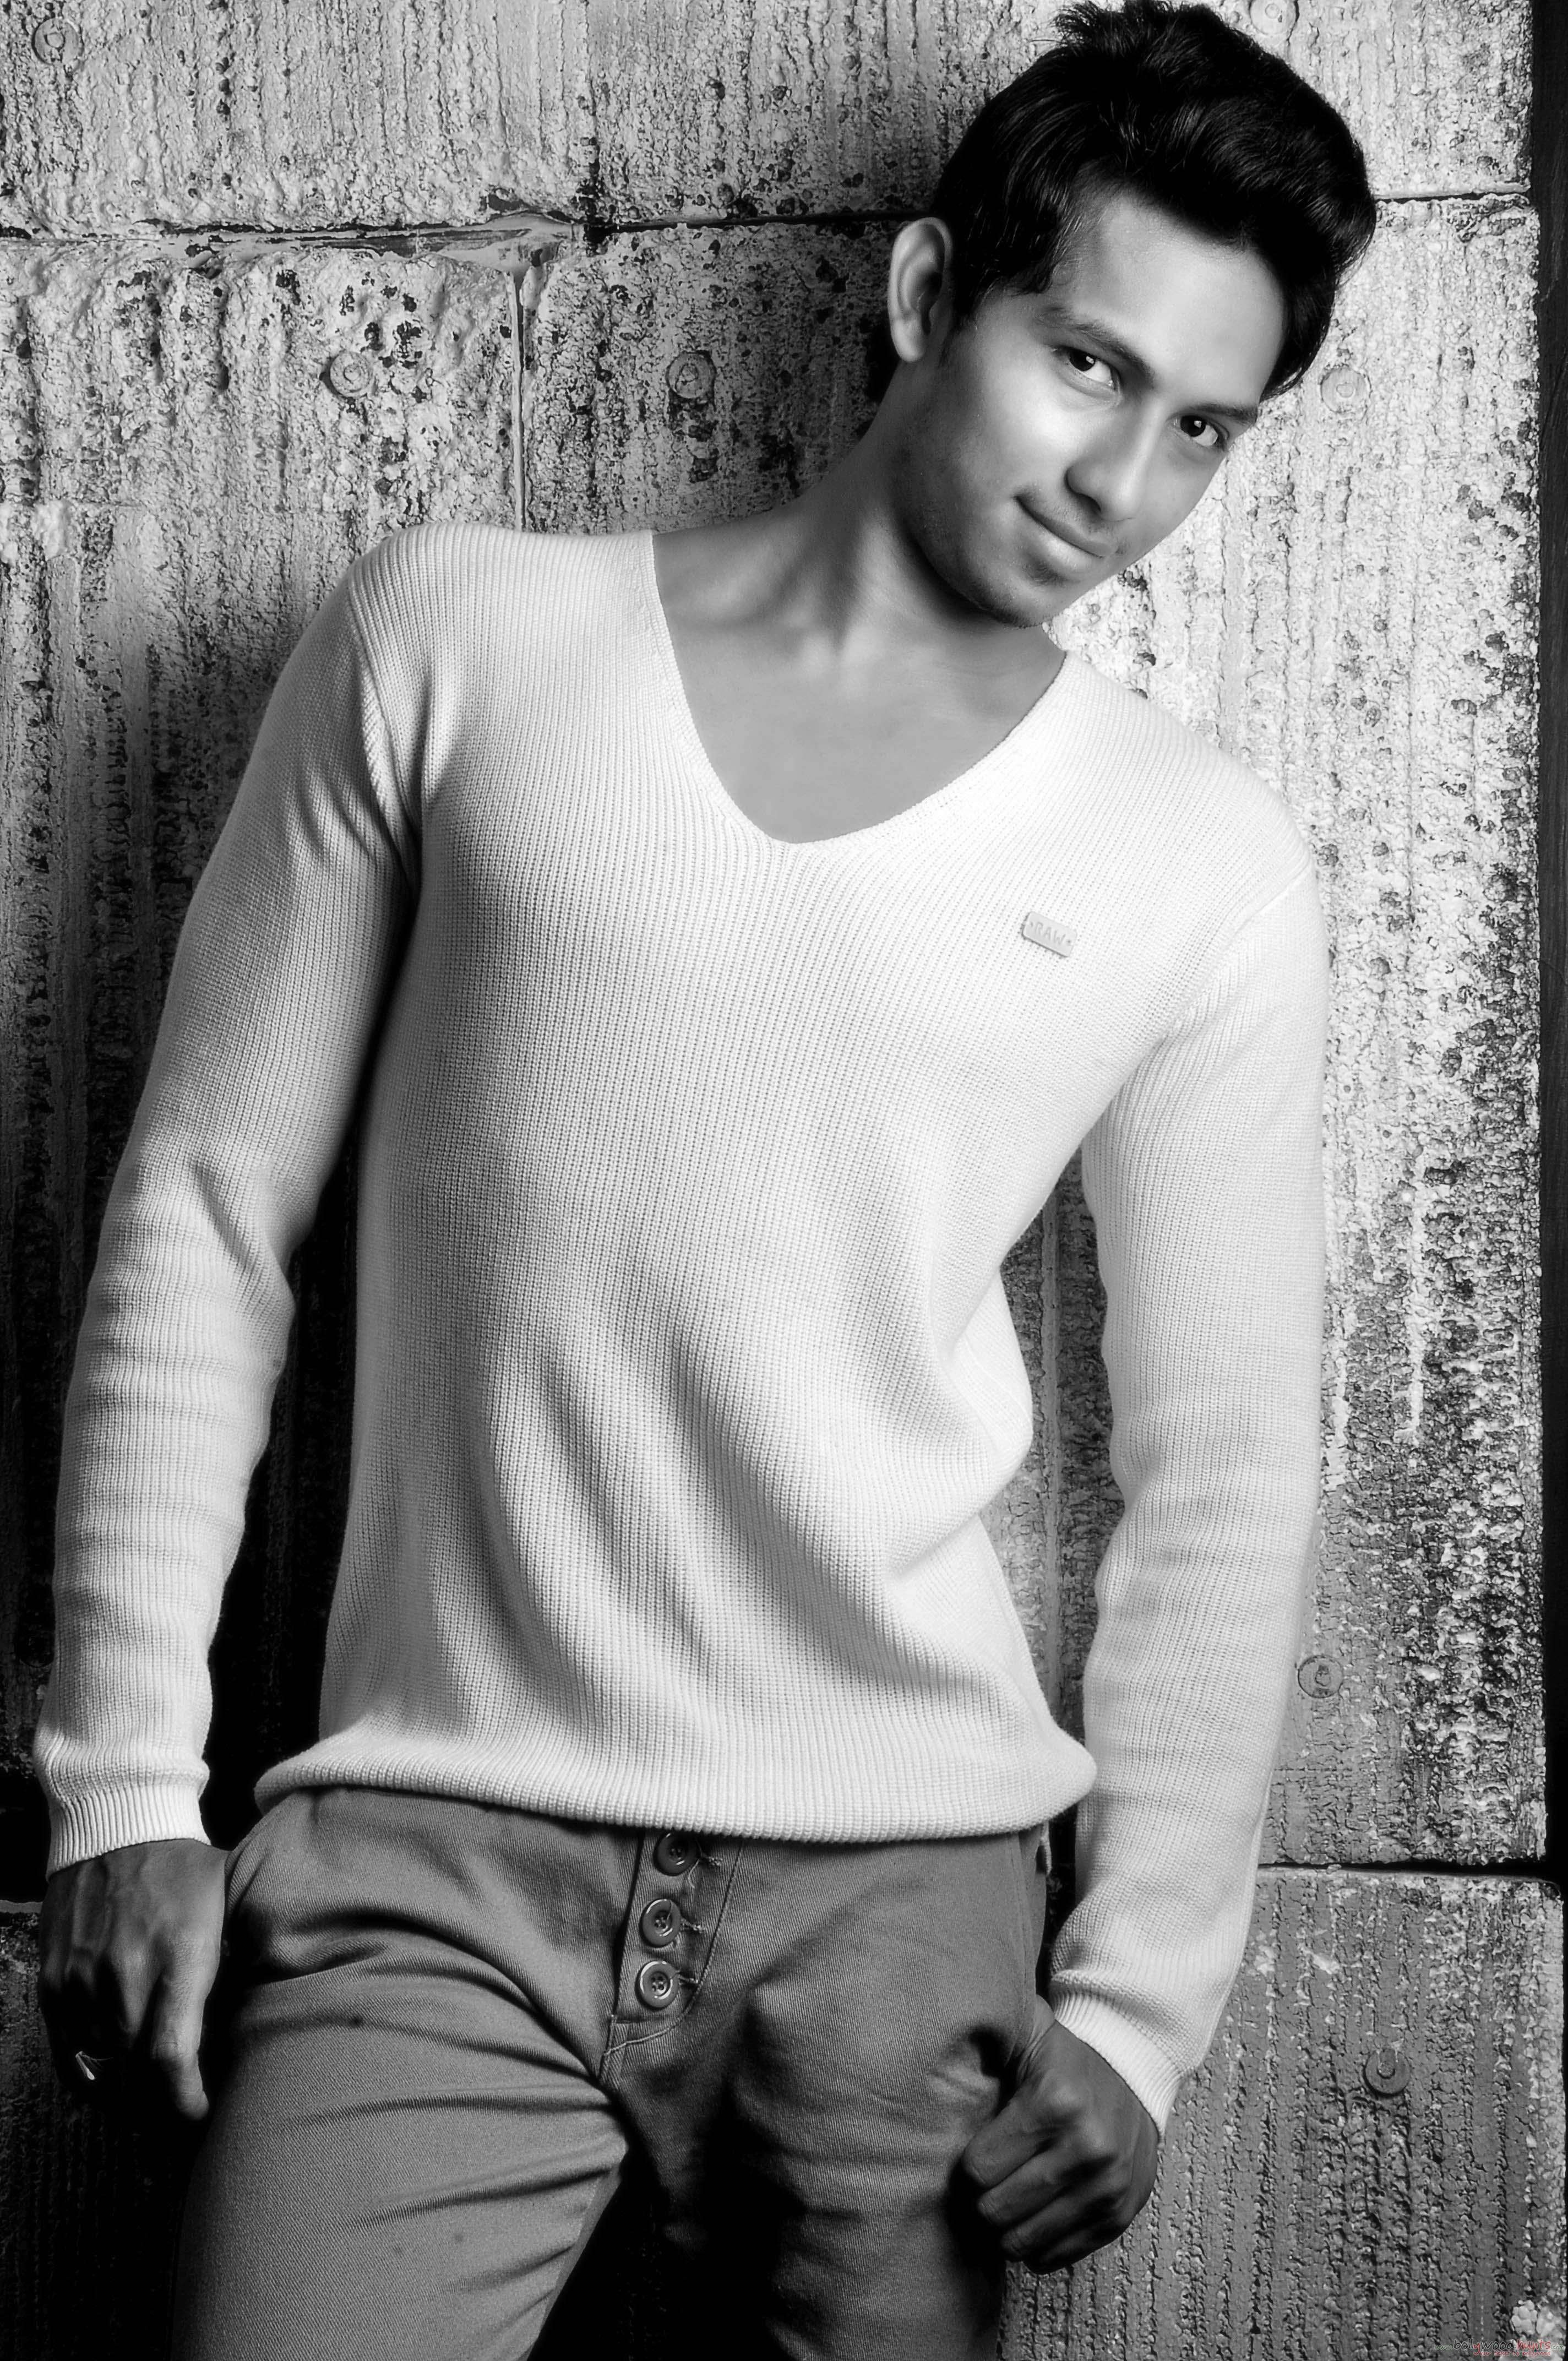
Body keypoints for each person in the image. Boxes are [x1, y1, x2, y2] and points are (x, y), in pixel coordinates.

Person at [31, 3, 1376, 2355]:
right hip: (426, 1852)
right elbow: (211, 1208)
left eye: (1201, 428)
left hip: (908, 1904)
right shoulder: (459, 639)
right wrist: (124, 1784)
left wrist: (1140, 1998)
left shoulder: (1201, 862)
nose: (1119, 479)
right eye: (1085, 362)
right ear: (926, 293)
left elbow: (1229, 1455)